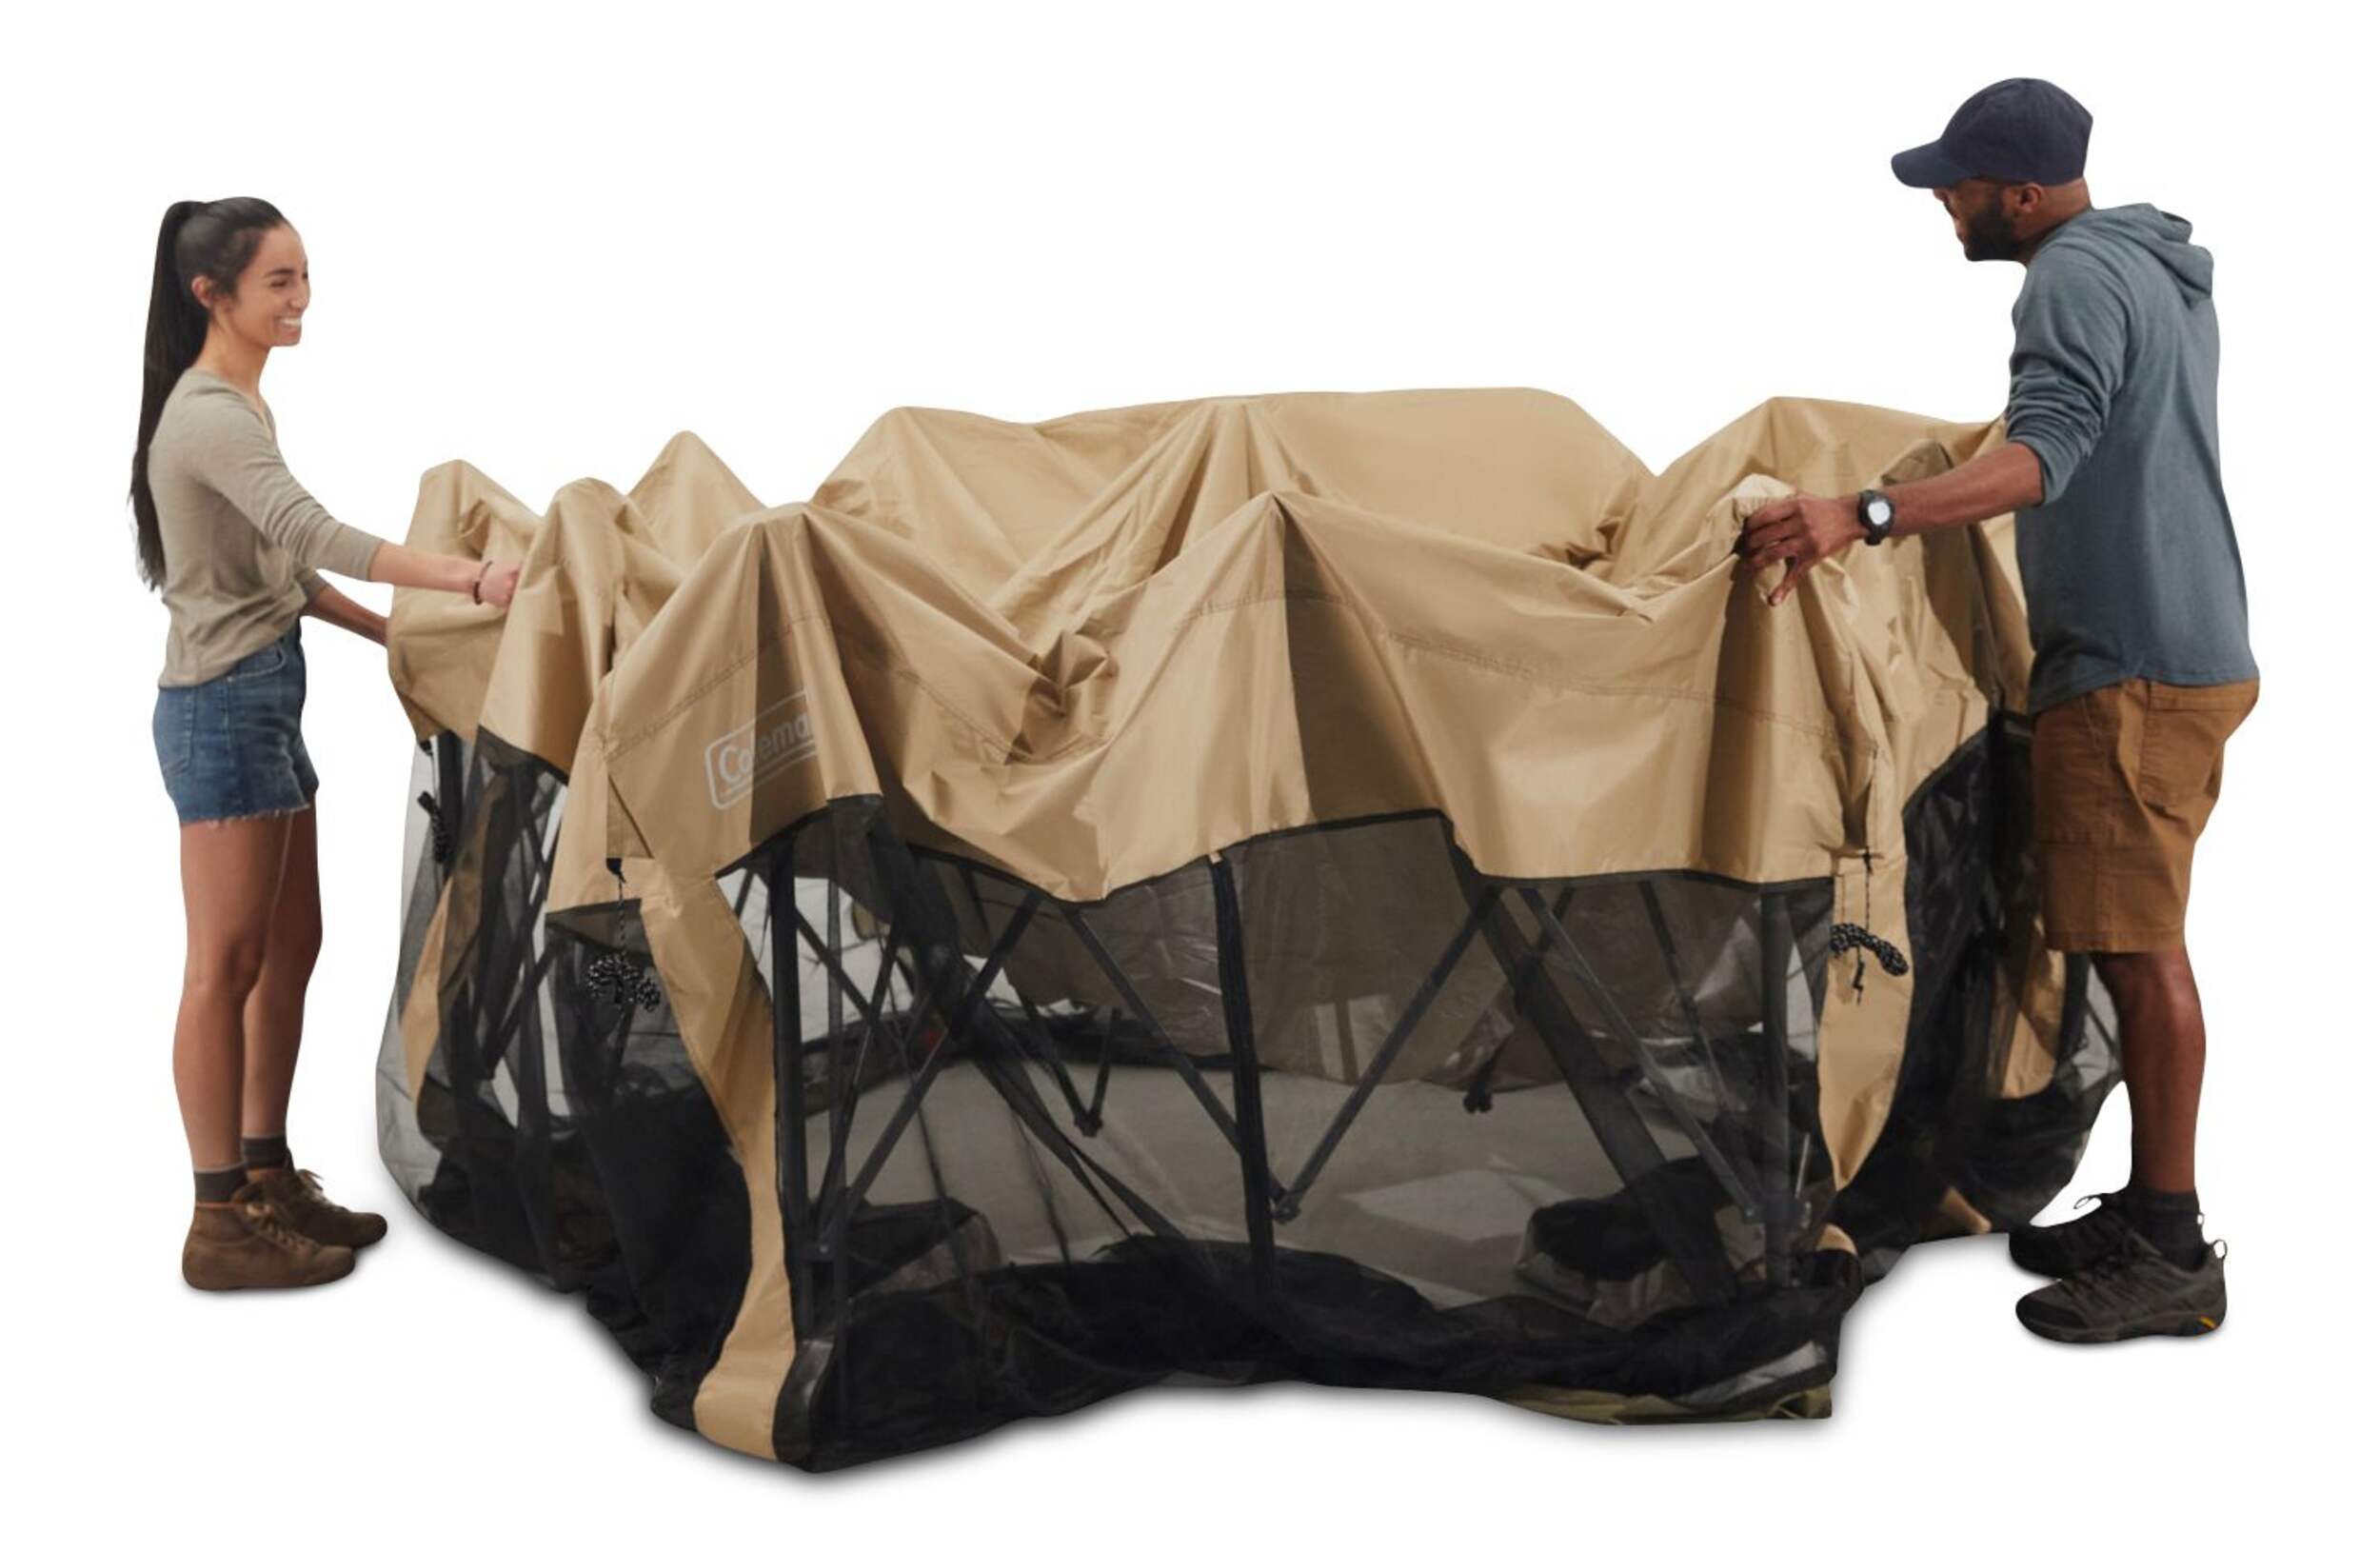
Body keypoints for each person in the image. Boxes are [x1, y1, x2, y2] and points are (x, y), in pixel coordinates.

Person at [1734, 79, 2257, 1342]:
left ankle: (2173, 1246)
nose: (1945, 204)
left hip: (2130, 669)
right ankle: (2150, 1210)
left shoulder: (2067, 278)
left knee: (2139, 949)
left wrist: (1860, 514)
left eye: (1957, 186)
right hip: (2179, 647)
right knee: (2126, 938)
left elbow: (2044, 458)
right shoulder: (2149, 268)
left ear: (2020, 194)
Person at [131, 198, 524, 1291]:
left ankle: (267, 1172)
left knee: (292, 944)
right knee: (223, 966)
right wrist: (471, 579)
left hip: (262, 703)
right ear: (211, 295)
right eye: (279, 281)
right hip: (221, 710)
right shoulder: (208, 415)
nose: (301, 299)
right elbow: (315, 534)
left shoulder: (240, 403)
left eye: (305, 276)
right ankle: (217, 1218)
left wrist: (399, 633)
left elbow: (285, 573)